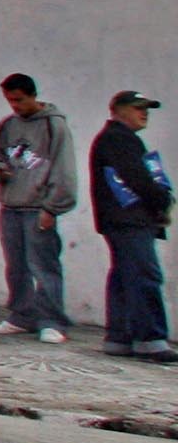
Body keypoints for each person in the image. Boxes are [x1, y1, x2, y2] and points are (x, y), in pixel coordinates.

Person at [0, 73, 76, 343]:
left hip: (38, 206)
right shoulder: (6, 126)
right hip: (11, 204)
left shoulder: (53, 126)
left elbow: (63, 169)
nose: (15, 106)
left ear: (33, 96)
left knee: (43, 265)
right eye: (10, 100)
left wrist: (52, 207)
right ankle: (21, 314)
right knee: (16, 266)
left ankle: (52, 320)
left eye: (19, 100)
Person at [87, 88, 174, 361]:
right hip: (130, 220)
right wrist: (163, 200)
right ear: (118, 110)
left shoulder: (115, 139)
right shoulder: (120, 139)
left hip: (120, 220)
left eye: (146, 108)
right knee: (144, 275)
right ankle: (150, 338)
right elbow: (138, 179)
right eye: (139, 108)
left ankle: (120, 336)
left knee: (124, 277)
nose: (144, 113)